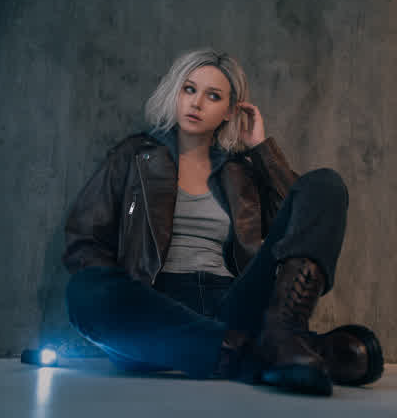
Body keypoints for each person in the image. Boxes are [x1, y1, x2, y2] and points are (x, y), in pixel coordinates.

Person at [62, 47, 383, 396]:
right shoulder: (134, 155)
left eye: (213, 96)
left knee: (325, 184)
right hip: (157, 312)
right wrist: (127, 297)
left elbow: (302, 220)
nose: (196, 103)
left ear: (230, 111)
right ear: (175, 92)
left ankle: (283, 334)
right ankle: (267, 353)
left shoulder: (241, 171)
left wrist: (262, 151)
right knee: (84, 291)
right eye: (189, 89)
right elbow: (84, 240)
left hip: (232, 302)